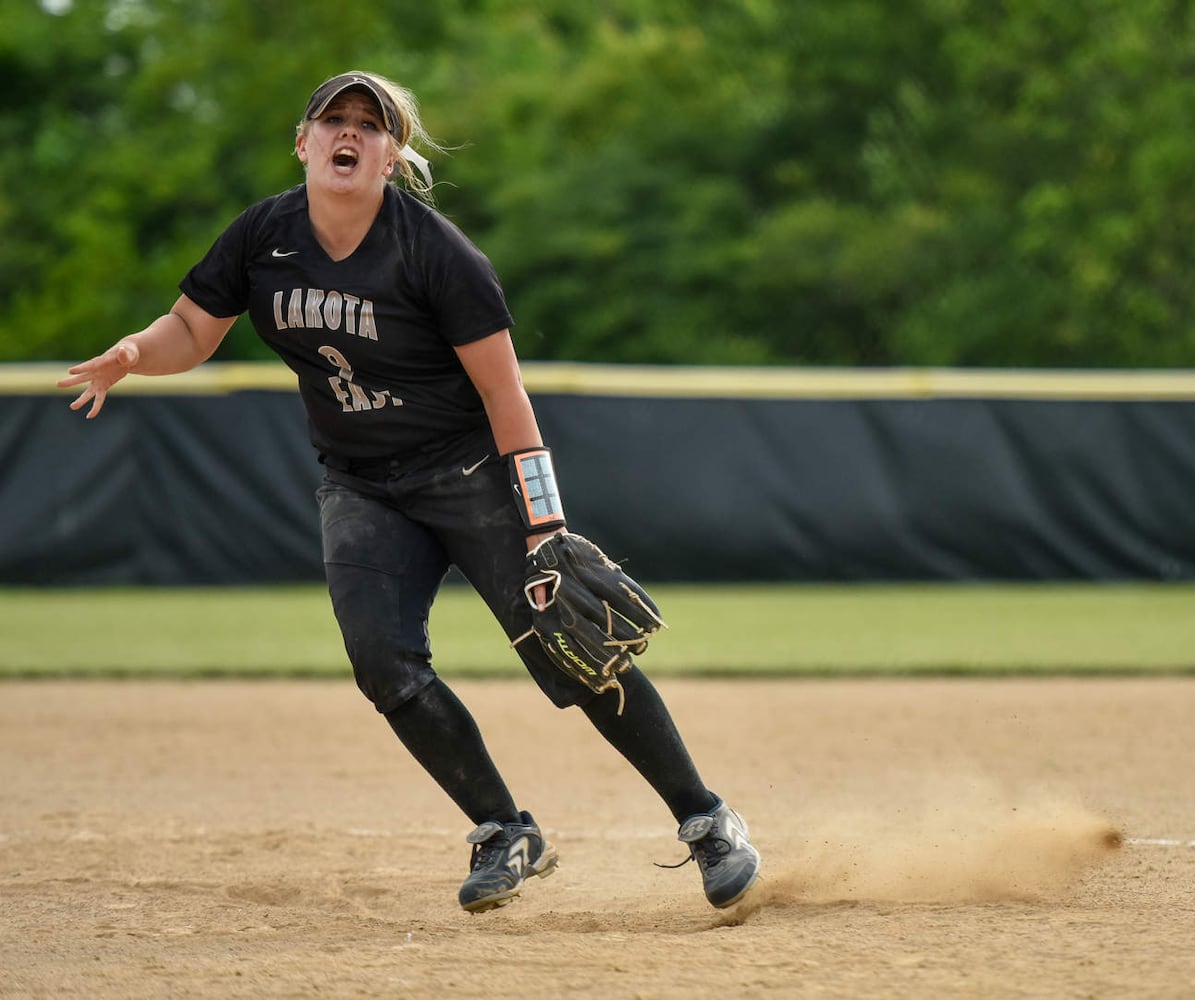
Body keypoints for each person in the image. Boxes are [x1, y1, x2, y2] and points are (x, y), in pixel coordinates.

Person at [60, 70, 761, 913]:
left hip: (466, 473)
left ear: (392, 155)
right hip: (361, 485)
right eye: (334, 120)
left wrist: (544, 523)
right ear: (304, 141)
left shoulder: (436, 254)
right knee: (382, 661)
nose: (348, 133)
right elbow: (190, 329)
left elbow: (506, 395)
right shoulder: (263, 236)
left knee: (569, 647)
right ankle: (506, 831)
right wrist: (134, 353)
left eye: (370, 124)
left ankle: (706, 820)